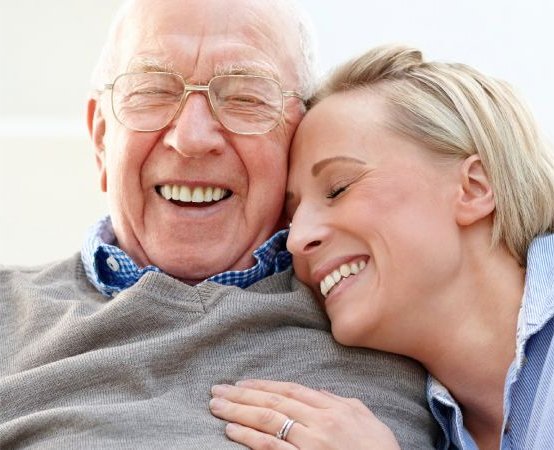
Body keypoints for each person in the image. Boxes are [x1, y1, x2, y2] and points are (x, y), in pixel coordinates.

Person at [0, 4, 438, 449]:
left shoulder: (384, 316)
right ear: (100, 141)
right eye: (152, 91)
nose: (192, 138)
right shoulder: (7, 312)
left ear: (299, 141)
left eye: (246, 97)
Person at [208, 44, 554, 449]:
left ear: (473, 188)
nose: (298, 241)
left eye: (338, 188)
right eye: (291, 218)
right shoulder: (434, 428)